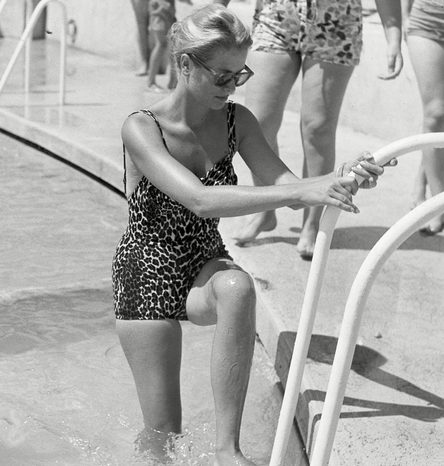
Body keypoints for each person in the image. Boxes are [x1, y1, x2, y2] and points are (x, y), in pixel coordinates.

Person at [111, 5, 390, 464]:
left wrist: (344, 177)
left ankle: (227, 451)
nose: (231, 87)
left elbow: (288, 190)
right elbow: (199, 199)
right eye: (222, 75)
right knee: (163, 437)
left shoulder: (236, 121)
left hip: (203, 261)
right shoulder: (142, 127)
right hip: (146, 271)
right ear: (185, 65)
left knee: (238, 287)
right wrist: (308, 187)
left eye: (239, 75)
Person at [229, 0, 403, 259]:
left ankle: (312, 222)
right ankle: (266, 208)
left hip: (336, 21)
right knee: (258, 122)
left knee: (317, 128)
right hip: (276, 14)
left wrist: (393, 35)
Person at [405, 0, 444, 235]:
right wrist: (403, 18)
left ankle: (421, 180)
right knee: (436, 112)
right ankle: (438, 203)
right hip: (427, 18)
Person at [146, 0, 192, 92]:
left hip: (168, 18)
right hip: (160, 17)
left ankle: (172, 82)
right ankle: (151, 82)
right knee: (161, 45)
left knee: (172, 48)